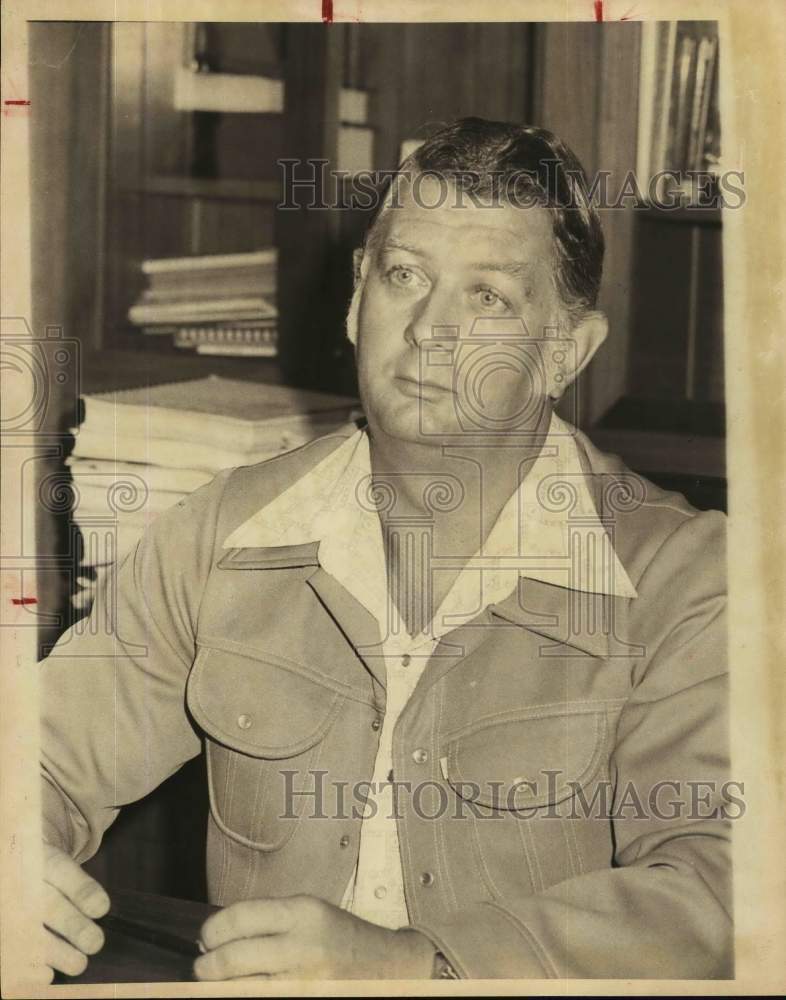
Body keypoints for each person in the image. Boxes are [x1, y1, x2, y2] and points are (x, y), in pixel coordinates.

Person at [39, 118, 732, 982]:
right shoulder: (224, 533)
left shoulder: (684, 577)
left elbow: (719, 890)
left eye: (488, 298)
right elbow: (44, 753)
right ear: (358, 294)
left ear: (565, 352)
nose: (429, 330)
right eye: (405, 276)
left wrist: (415, 967)